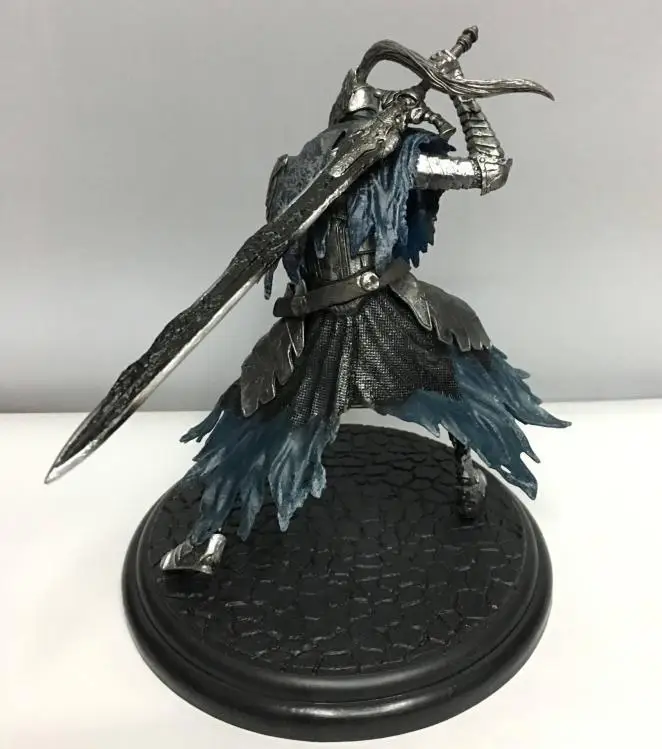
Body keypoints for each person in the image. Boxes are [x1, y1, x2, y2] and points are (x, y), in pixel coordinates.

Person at [159, 35, 570, 574]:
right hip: (325, 324)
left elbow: (487, 173)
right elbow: (489, 167)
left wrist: (451, 90)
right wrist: (459, 97)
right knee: (258, 423)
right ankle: (207, 536)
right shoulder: (349, 164)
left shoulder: (324, 163)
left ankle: (205, 541)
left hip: (369, 313)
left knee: (457, 379)